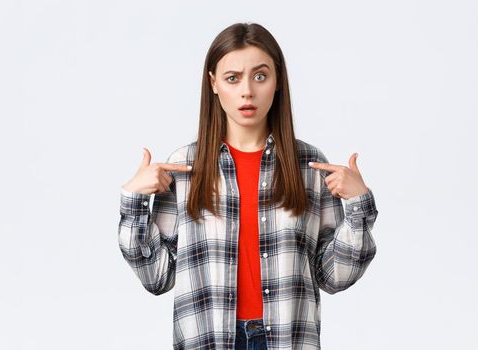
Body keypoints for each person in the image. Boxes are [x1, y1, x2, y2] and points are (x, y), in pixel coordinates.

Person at [117, 22, 378, 350]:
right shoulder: (185, 167)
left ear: (277, 80)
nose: (247, 92)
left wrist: (358, 207)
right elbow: (157, 277)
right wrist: (133, 202)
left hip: (287, 340)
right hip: (208, 340)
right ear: (213, 83)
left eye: (260, 76)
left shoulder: (309, 166)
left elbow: (334, 276)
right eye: (232, 78)